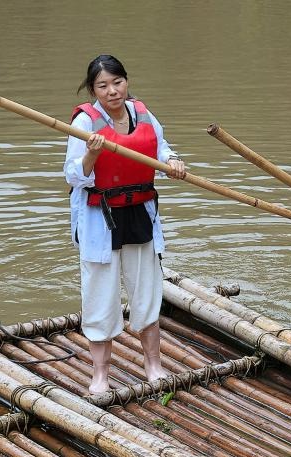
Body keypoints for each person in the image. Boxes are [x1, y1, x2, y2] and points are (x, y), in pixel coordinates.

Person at [64, 54, 186, 394]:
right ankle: (100, 375)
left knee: (146, 290)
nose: (112, 91)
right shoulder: (85, 123)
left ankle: (154, 365)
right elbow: (73, 174)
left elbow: (160, 148)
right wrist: (91, 154)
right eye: (103, 86)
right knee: (100, 296)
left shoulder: (142, 113)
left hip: (139, 213)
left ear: (126, 82)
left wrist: (173, 162)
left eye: (117, 82)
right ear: (92, 90)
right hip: (99, 218)